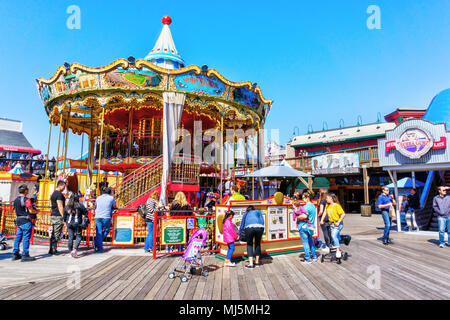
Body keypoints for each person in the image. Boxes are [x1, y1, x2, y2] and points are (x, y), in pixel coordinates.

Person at [12, 185, 38, 262]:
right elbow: (31, 210)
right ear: (25, 191)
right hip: (26, 220)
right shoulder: (26, 200)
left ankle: (15, 253)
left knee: (18, 237)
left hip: (19, 220)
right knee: (26, 238)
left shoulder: (16, 200)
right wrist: (37, 211)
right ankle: (25, 254)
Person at [321, 193, 346, 259]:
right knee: (335, 237)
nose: (326, 199)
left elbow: (343, 214)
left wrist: (338, 221)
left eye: (327, 198)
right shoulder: (327, 205)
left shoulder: (337, 206)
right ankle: (336, 248)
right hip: (331, 224)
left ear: (331, 198)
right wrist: (322, 220)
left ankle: (337, 251)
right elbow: (324, 213)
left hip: (338, 224)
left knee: (334, 236)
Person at [63, 192, 88, 258]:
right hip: (78, 223)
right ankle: (75, 249)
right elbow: (85, 212)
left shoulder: (67, 206)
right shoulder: (80, 205)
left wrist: (66, 222)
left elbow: (64, 216)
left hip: (69, 222)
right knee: (78, 236)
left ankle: (70, 251)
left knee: (70, 237)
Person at [94, 187, 117, 253]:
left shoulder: (98, 198)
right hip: (106, 217)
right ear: (110, 192)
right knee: (107, 230)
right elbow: (114, 206)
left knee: (99, 232)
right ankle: (98, 245)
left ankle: (98, 244)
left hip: (98, 216)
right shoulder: (111, 198)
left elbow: (95, 206)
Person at [297, 192, 318, 263]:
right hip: (310, 227)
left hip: (304, 226)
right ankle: (314, 256)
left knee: (305, 242)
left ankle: (308, 258)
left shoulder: (306, 207)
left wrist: (297, 217)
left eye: (303, 198)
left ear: (307, 198)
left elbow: (304, 216)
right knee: (311, 241)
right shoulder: (313, 206)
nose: (302, 199)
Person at [49, 180, 66, 255]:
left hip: (54, 214)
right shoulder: (59, 195)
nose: (64, 188)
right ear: (61, 185)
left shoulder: (53, 194)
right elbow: (60, 205)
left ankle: (52, 248)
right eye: (64, 186)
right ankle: (53, 249)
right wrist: (63, 216)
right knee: (56, 232)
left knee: (54, 232)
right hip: (58, 215)